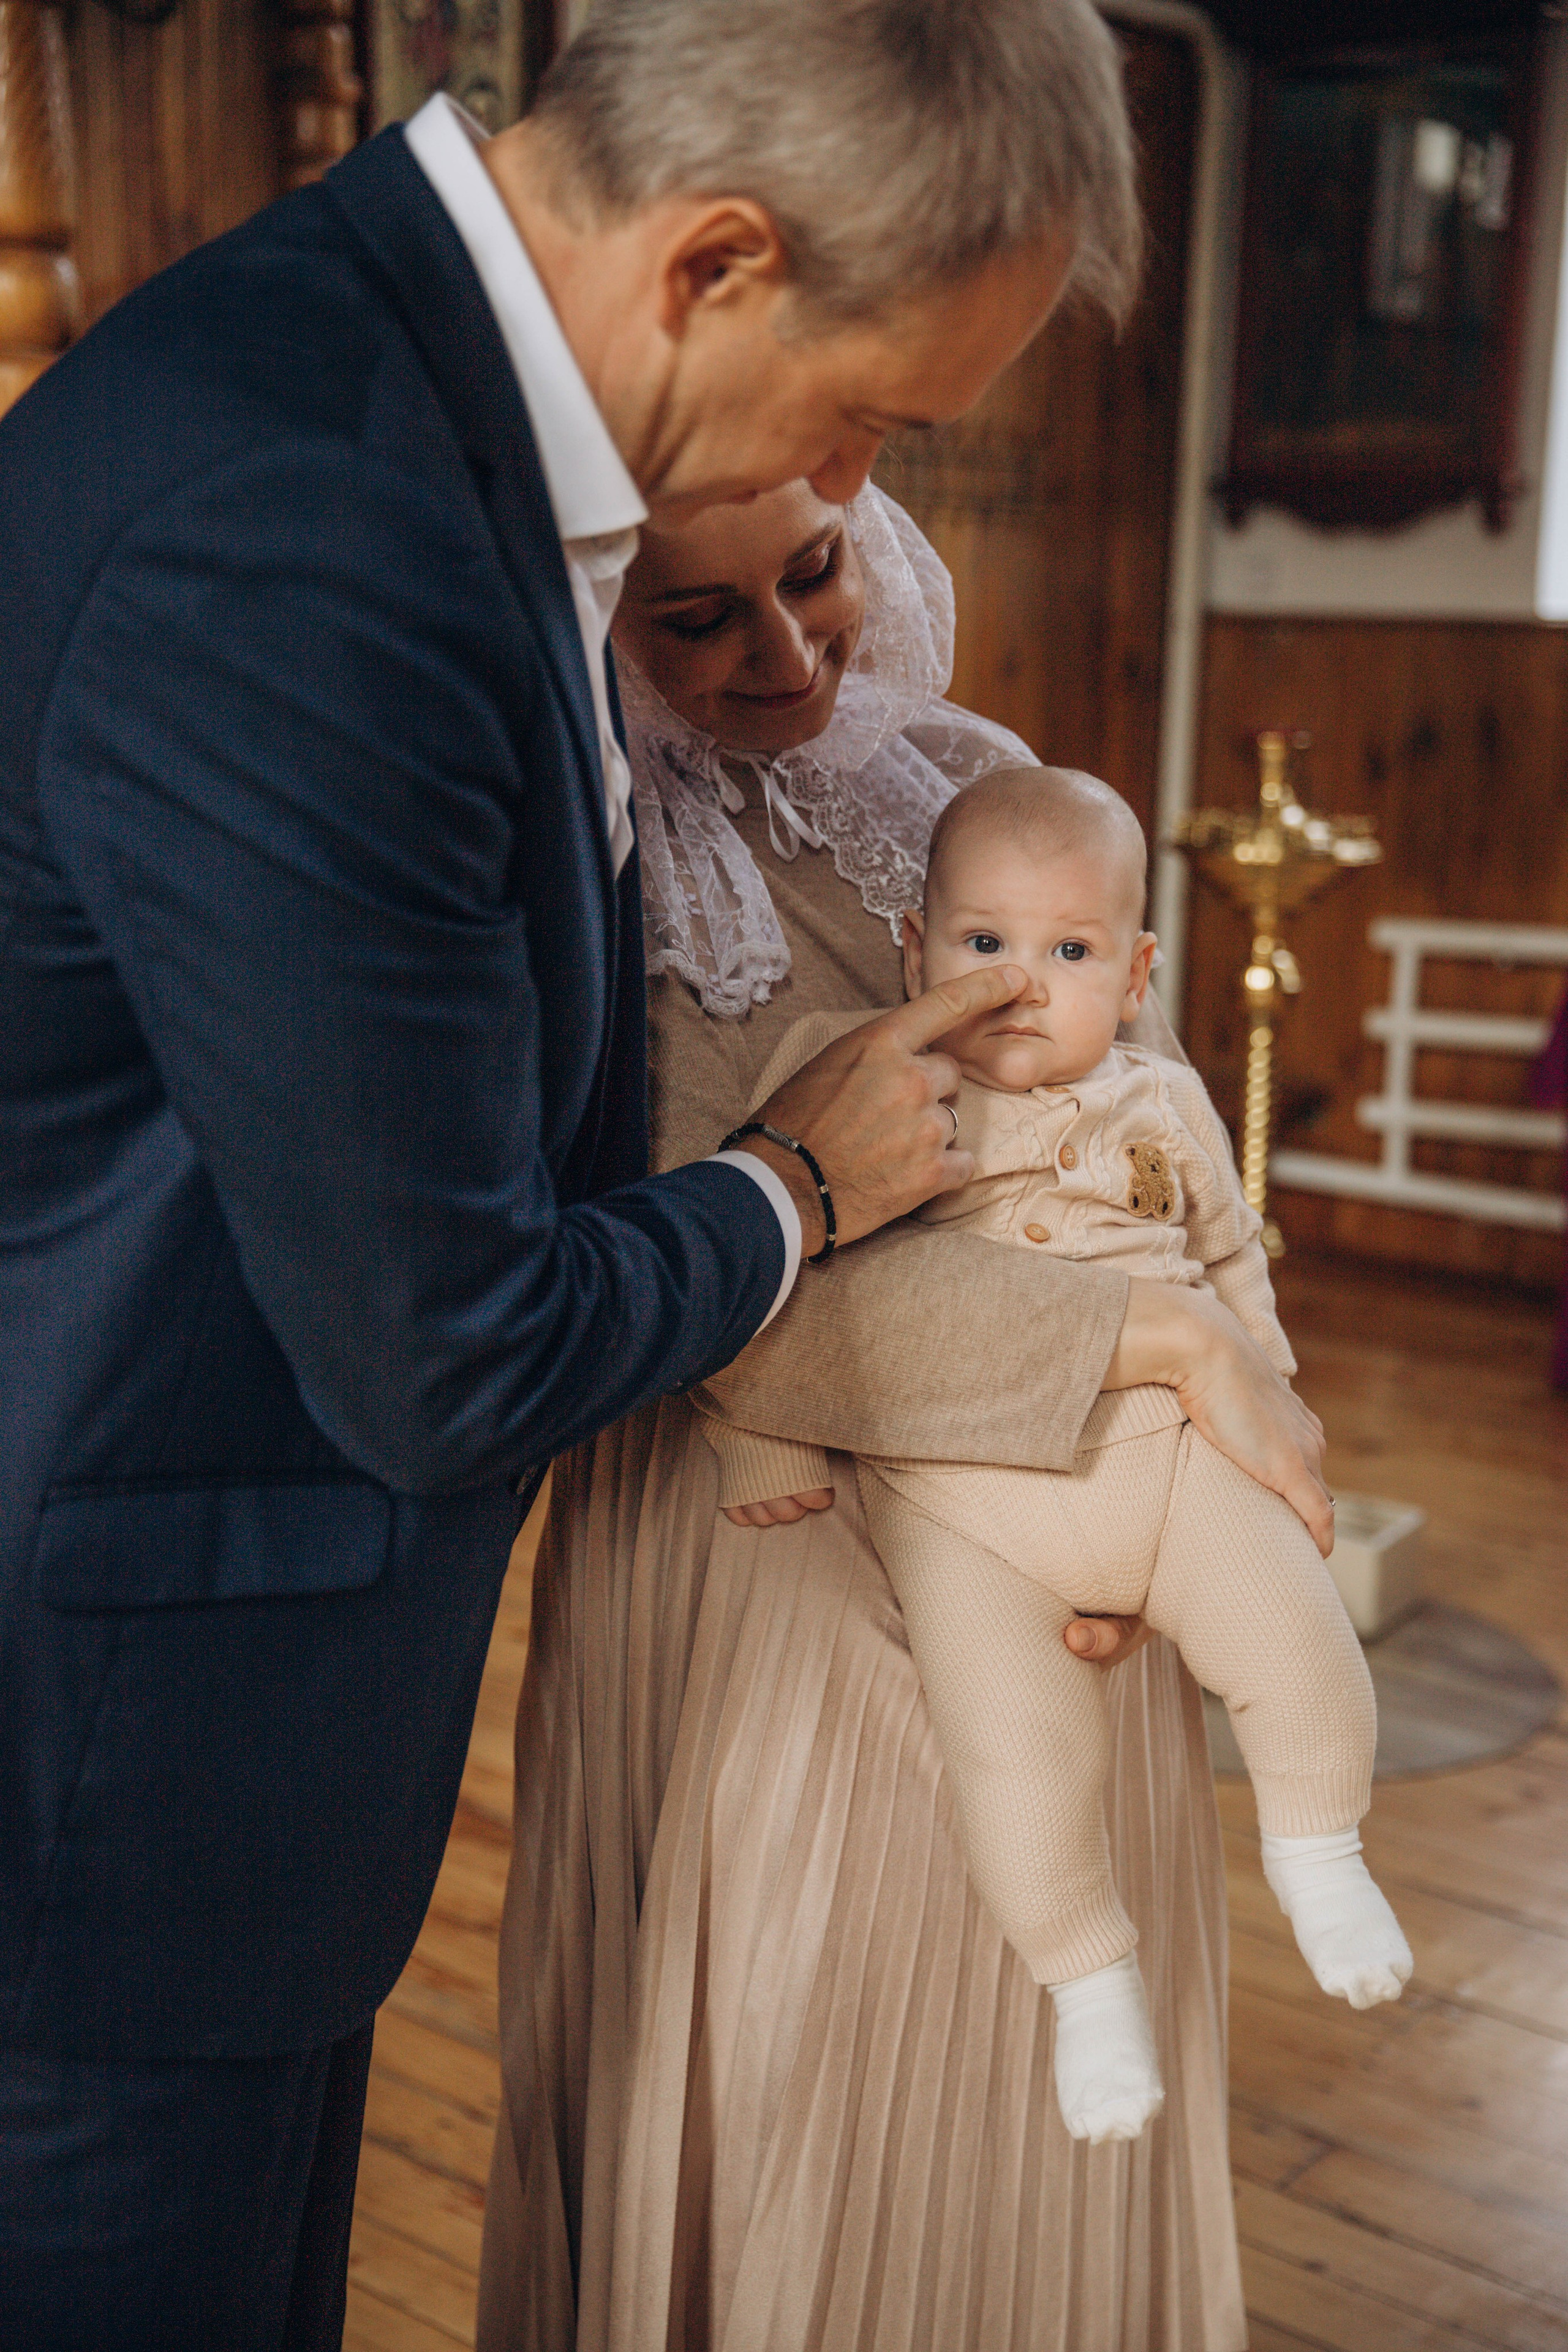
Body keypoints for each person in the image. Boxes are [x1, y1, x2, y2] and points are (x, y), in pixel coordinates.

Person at [0, 2, 1202, 2340]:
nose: (850, 479)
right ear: (719, 263)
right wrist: (799, 1181)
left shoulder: (379, 405)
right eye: (866, 412)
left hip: (215, 1763)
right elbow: (449, 1350)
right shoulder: (311, 518)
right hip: (101, 1787)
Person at [479, 480, 1329, 2349]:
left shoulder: (972, 771)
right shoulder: (581, 852)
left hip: (1086, 1476)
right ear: (600, 608)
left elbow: (1162, 1148)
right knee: (808, 2074)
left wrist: (1203, 1482)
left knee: (1048, 2080)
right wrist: (1146, 1353)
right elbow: (686, 1298)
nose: (783, 655)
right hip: (761, 1522)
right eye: (697, 621)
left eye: (813, 575)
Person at [701, 763, 1412, 2150]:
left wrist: (1265, 1396)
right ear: (914, 948)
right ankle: (1087, 1980)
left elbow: (1224, 1258)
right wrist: (759, 1440)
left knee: (1299, 1649)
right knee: (1011, 1760)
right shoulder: (851, 1072)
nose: (1021, 985)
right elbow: (774, 1274)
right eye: (982, 945)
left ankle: (1317, 1850)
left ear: (1135, 971)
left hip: (1176, 1458)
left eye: (1068, 952)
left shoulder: (1163, 1100)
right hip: (962, 1512)